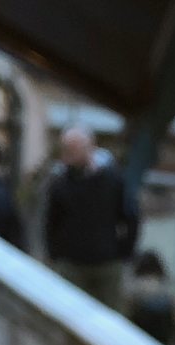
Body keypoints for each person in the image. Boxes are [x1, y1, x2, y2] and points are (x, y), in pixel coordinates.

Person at [45, 126, 138, 311]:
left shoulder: (113, 181)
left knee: (109, 316)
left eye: (73, 150)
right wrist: (56, 254)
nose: (68, 156)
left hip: (107, 263)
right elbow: (51, 223)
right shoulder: (60, 184)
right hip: (72, 264)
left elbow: (130, 217)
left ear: (90, 147)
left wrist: (123, 252)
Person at [128, 250, 175, 345]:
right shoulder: (165, 287)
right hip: (164, 335)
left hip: (141, 334)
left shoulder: (134, 287)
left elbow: (127, 313)